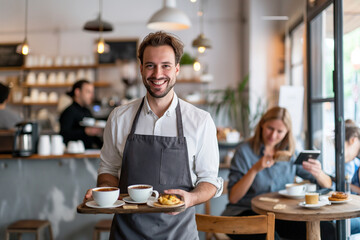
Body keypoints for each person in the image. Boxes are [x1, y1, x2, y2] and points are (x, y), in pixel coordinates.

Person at [84, 31, 223, 239]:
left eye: (165, 65)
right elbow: (108, 169)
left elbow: (210, 181)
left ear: (177, 69)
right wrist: (105, 192)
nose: (157, 74)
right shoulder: (119, 117)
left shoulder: (200, 121)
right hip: (127, 233)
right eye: (150, 65)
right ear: (141, 69)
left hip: (179, 233)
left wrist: (191, 199)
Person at [222, 106, 335, 240]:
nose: (273, 135)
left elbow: (328, 184)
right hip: (244, 213)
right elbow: (233, 197)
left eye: (279, 131)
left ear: (287, 132)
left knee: (328, 229)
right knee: (271, 236)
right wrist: (254, 170)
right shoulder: (243, 151)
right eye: (270, 128)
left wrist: (318, 173)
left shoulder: (290, 154)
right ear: (262, 124)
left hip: (279, 214)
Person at [59, 79, 102, 149]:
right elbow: (64, 135)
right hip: (73, 155)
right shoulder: (69, 112)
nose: (91, 96)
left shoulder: (87, 111)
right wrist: (85, 132)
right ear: (77, 92)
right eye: (88, 92)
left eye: (92, 93)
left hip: (89, 153)